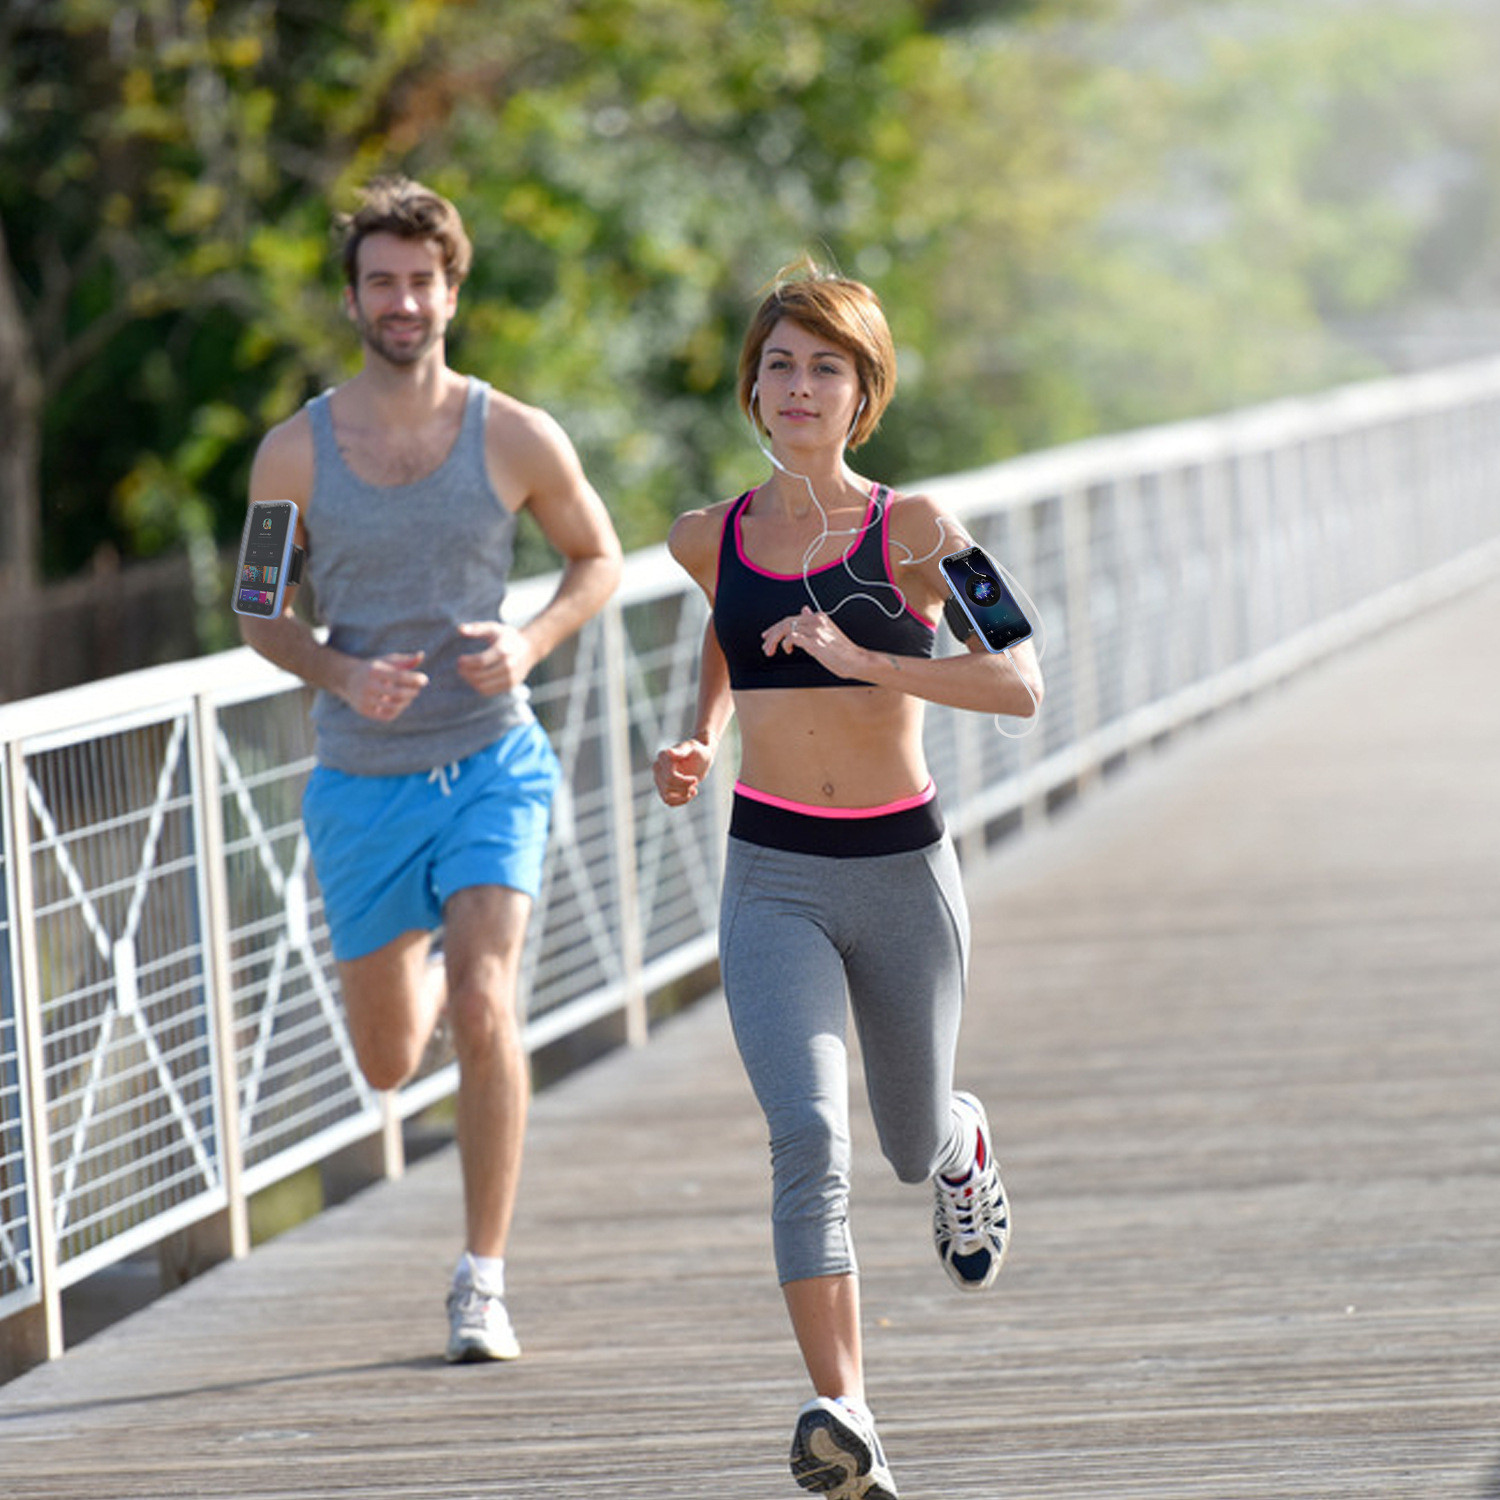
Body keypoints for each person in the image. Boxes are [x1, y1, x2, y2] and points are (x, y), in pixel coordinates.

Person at [652, 262, 1042, 1498]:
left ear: (862, 393)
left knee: (905, 1141)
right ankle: (846, 1415)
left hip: (900, 871)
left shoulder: (915, 531)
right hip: (772, 875)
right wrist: (704, 736)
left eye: (827, 366)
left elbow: (1020, 682)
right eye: (780, 364)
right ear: (752, 391)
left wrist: (866, 660)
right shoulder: (704, 537)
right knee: (806, 1134)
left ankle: (962, 1145)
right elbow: (729, 628)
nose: (800, 385)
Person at [240, 177, 622, 1363]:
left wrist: (530, 642)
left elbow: (598, 558)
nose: (403, 302)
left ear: (453, 292)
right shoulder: (294, 452)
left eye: (422, 281)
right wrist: (337, 674)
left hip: (490, 760)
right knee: (391, 1058)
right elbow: (256, 608)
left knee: (487, 999)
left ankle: (482, 1282)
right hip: (360, 779)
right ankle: (433, 984)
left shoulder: (514, 434)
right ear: (354, 299)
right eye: (382, 283)